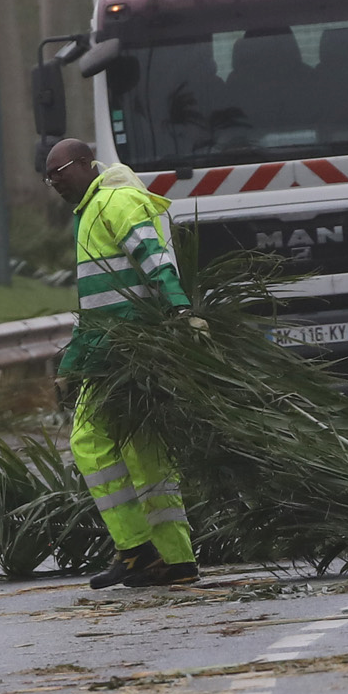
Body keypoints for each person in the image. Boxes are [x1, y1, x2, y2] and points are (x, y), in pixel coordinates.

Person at [45, 137, 202, 590]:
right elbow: (101, 300)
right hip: (119, 347)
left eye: (59, 172)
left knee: (88, 442)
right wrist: (73, 359)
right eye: (48, 176)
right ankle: (176, 560)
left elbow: (154, 258)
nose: (54, 183)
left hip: (124, 352)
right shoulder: (94, 209)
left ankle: (135, 551)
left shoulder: (113, 201)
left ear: (84, 164)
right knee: (145, 452)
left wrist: (179, 309)